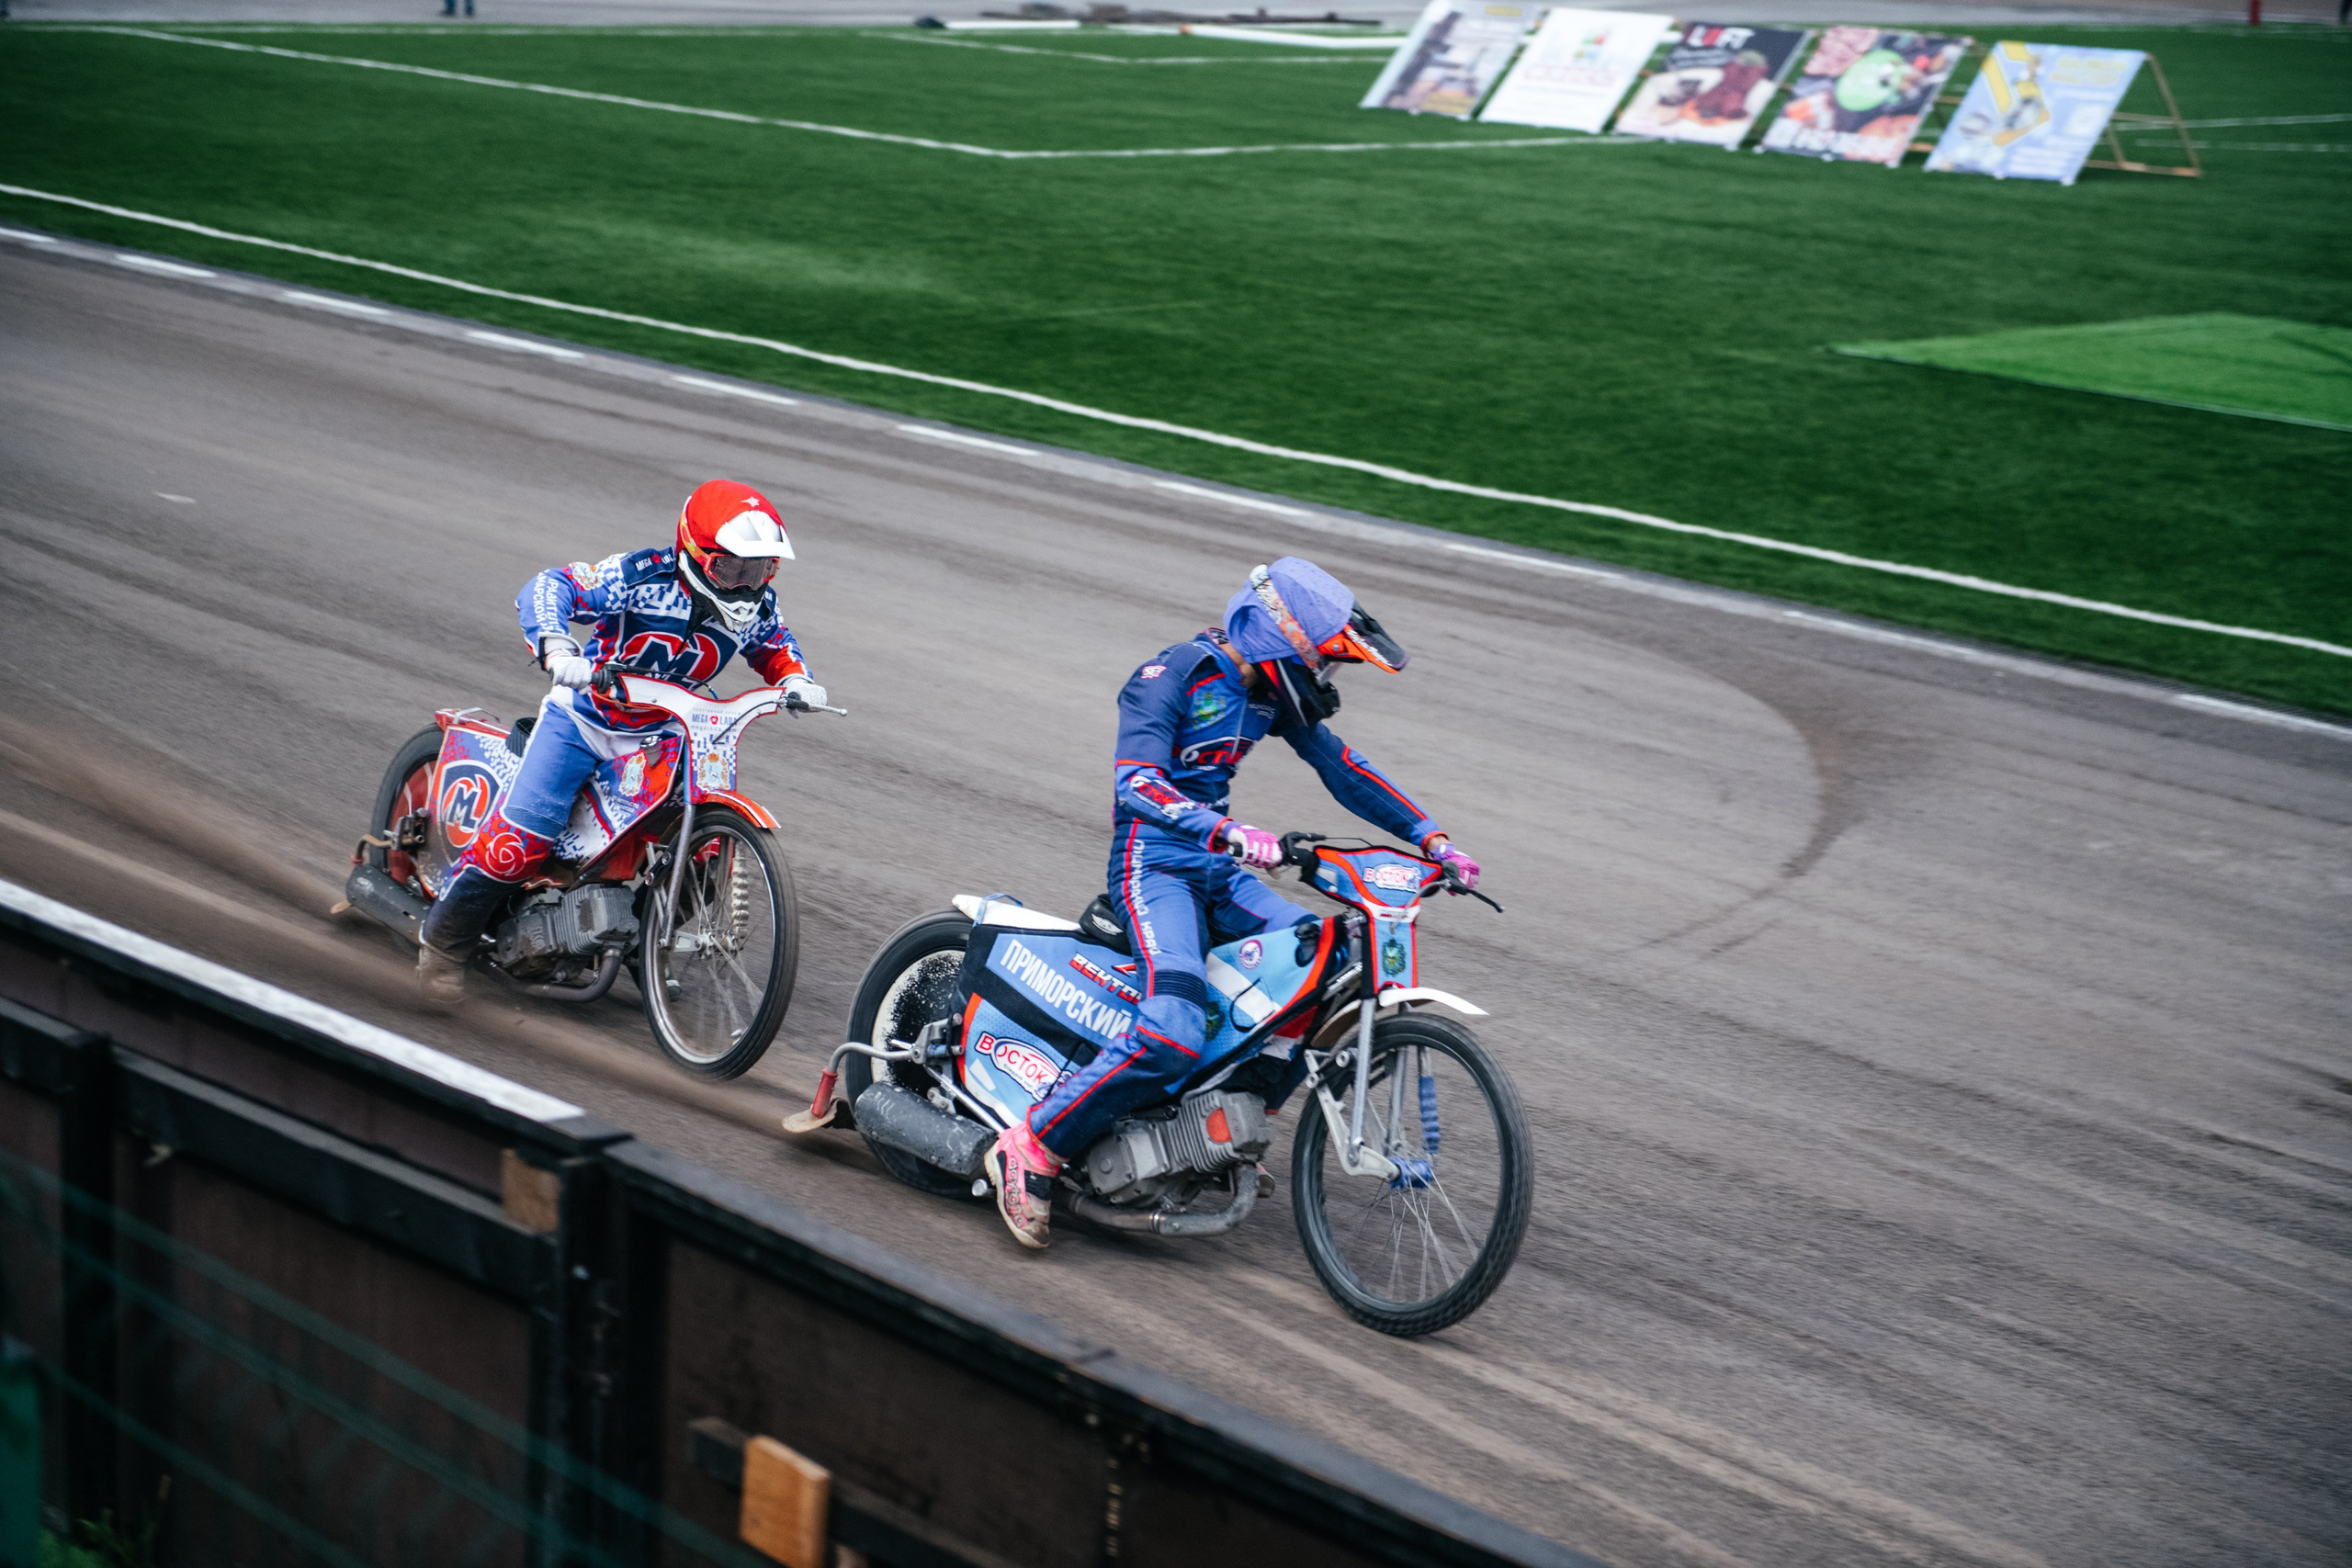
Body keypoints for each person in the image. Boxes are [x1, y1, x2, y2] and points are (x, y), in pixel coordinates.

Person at [983, 557, 1480, 1249]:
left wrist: (1432, 838)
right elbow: (1137, 786)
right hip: (1152, 866)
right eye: (1323, 663)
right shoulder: (1173, 675)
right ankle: (1033, 1144)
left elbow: (1343, 768)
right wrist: (1228, 831)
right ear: (1279, 638)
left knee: (1317, 970)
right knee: (1172, 1031)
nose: (1326, 681)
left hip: (1218, 868)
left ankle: (1218, 1126)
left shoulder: (1273, 694)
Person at [415, 479, 825, 1001]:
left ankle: (642, 942)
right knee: (519, 844)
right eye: (733, 568)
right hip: (584, 723)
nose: (746, 584)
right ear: (696, 554)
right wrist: (558, 646)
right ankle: (445, 942)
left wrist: (796, 681)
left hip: (666, 736)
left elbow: (777, 647)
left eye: (759, 569)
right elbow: (551, 585)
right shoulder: (638, 575)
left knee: (706, 853)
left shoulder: (760, 604)